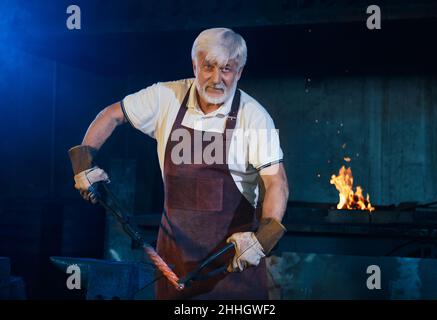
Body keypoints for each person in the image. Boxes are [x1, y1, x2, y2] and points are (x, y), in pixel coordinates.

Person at [68, 27, 289, 299]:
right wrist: (83, 162)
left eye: (227, 69)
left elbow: (277, 182)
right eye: (208, 67)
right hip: (174, 261)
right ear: (195, 64)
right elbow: (111, 114)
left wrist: (261, 240)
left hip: (233, 266)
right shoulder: (166, 97)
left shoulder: (254, 117)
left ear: (239, 72)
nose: (216, 79)